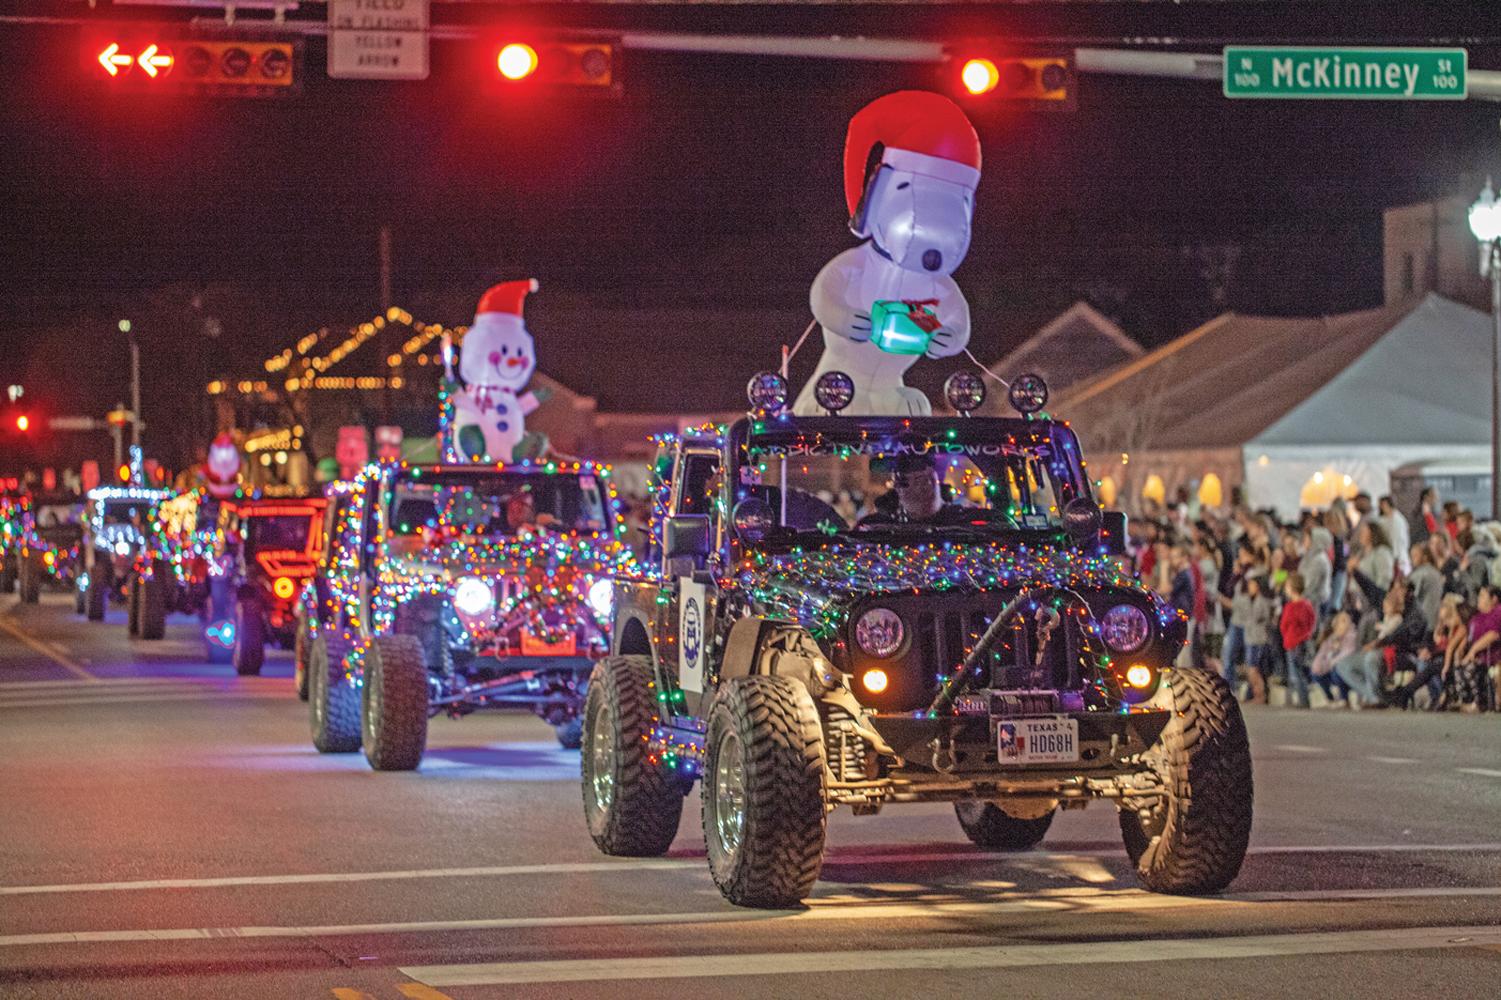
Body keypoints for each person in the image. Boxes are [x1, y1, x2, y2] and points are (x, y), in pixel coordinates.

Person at [857, 455, 972, 527]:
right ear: (897, 488)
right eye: (915, 481)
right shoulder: (873, 527)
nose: (923, 486)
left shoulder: (967, 524)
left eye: (925, 480)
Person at [1454, 583, 1501, 712]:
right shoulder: (1477, 617)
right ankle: (1465, 700)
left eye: (1482, 596)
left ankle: (1480, 703)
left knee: (1471, 668)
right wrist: (1461, 650)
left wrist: (1473, 651)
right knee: (1459, 667)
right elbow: (1468, 636)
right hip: (1479, 657)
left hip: (1494, 658)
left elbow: (1494, 635)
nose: (1478, 599)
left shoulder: (1498, 612)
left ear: (1494, 599)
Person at [1280, 572, 1317, 708]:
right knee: (1300, 670)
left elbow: (1284, 624)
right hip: (1303, 641)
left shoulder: (1290, 607)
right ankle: (1303, 698)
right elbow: (1312, 621)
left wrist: (1286, 636)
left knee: (1295, 673)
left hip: (1292, 642)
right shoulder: (1307, 605)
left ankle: (1302, 700)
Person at [1311, 611, 1358, 707]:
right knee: (1316, 673)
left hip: (1348, 670)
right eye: (1342, 621)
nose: (1346, 623)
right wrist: (1318, 667)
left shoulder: (1352, 636)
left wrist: (1330, 663)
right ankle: (1330, 699)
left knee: (1337, 670)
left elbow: (1347, 653)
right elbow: (1321, 655)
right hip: (1330, 667)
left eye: (1347, 620)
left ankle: (1344, 699)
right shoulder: (1331, 639)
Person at [1407, 542, 1444, 635]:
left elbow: (1409, 598)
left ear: (1425, 557)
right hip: (1436, 621)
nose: (1412, 559)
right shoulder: (1436, 572)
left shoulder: (1419, 574)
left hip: (1422, 623)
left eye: (1415, 555)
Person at [1379, 495, 1411, 575]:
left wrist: (1395, 556)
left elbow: (1397, 539)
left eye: (1383, 505)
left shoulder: (1397, 520)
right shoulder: (1385, 519)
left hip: (1397, 556)